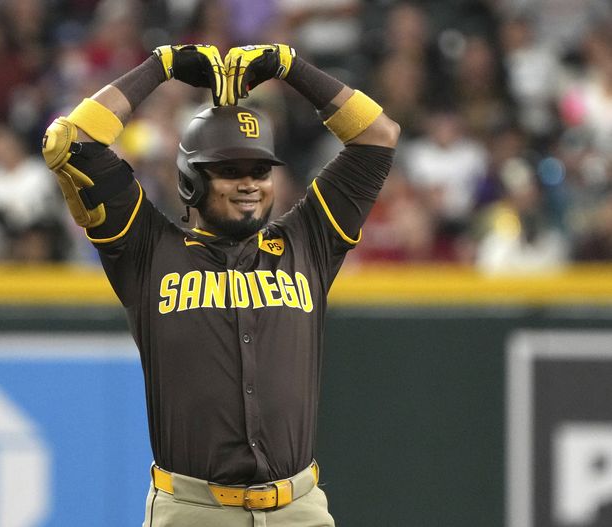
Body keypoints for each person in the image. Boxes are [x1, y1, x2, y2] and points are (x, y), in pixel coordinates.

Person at [42, 43, 399, 526]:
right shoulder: (147, 249)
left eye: (260, 170)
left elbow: (378, 135)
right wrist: (162, 66)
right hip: (194, 511)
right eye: (229, 171)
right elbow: (69, 142)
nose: (249, 183)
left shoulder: (308, 241)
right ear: (191, 179)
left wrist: (290, 67)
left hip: (300, 509)